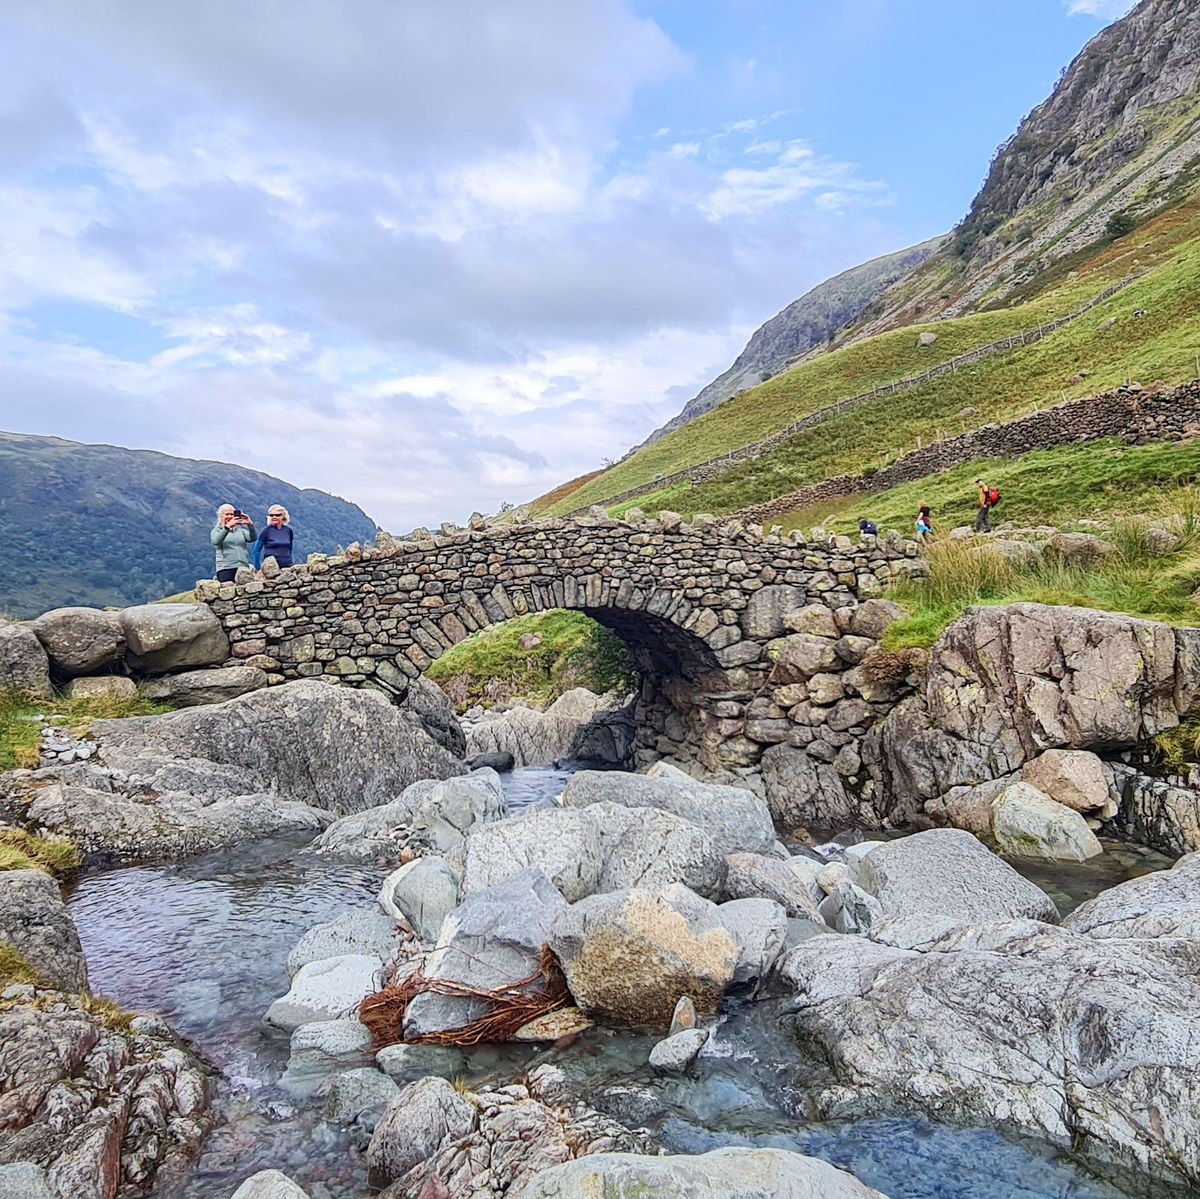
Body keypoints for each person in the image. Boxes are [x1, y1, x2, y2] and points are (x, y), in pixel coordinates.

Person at [211, 504, 257, 582]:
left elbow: (252, 538)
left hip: (243, 567)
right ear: (221, 516)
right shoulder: (216, 531)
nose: (229, 516)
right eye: (227, 514)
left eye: (231, 514)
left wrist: (250, 525)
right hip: (225, 568)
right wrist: (227, 527)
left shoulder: (240, 530)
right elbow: (216, 541)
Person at [255, 505, 295, 569]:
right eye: (271, 515)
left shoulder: (288, 531)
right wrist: (258, 568)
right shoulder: (266, 531)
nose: (274, 517)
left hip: (287, 566)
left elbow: (290, 548)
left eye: (277, 515)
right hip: (271, 568)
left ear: (283, 516)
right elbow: (256, 550)